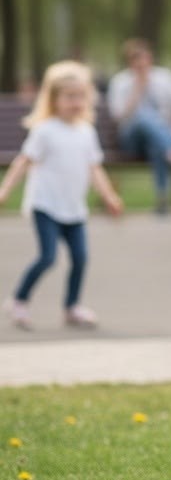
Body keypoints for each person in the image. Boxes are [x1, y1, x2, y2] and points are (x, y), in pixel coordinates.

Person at [1, 61, 123, 330]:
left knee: (80, 258)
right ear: (53, 98)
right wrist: (5, 190)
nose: (75, 101)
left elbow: (95, 169)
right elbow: (23, 162)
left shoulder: (86, 132)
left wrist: (109, 197)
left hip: (74, 209)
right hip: (45, 205)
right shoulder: (45, 131)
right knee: (48, 257)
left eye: (80, 95)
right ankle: (19, 301)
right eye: (69, 96)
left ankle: (72, 307)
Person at [107, 38, 171, 214]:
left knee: (156, 145)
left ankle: (162, 199)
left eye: (144, 61)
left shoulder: (165, 78)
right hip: (131, 140)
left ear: (150, 59)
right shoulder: (120, 82)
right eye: (137, 63)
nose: (142, 67)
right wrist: (138, 88)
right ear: (130, 63)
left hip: (158, 138)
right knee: (143, 116)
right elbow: (118, 117)